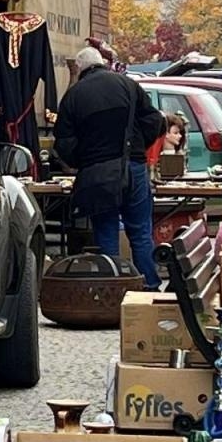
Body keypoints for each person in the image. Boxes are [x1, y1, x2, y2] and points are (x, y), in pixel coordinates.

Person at [55, 45, 165, 288]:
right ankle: (149, 285)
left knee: (106, 231)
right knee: (140, 232)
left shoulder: (74, 95)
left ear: (81, 68)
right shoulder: (128, 85)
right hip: (134, 167)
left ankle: (115, 286)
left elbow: (63, 142)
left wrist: (81, 161)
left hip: (97, 173)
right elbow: (155, 120)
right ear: (101, 63)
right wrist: (138, 148)